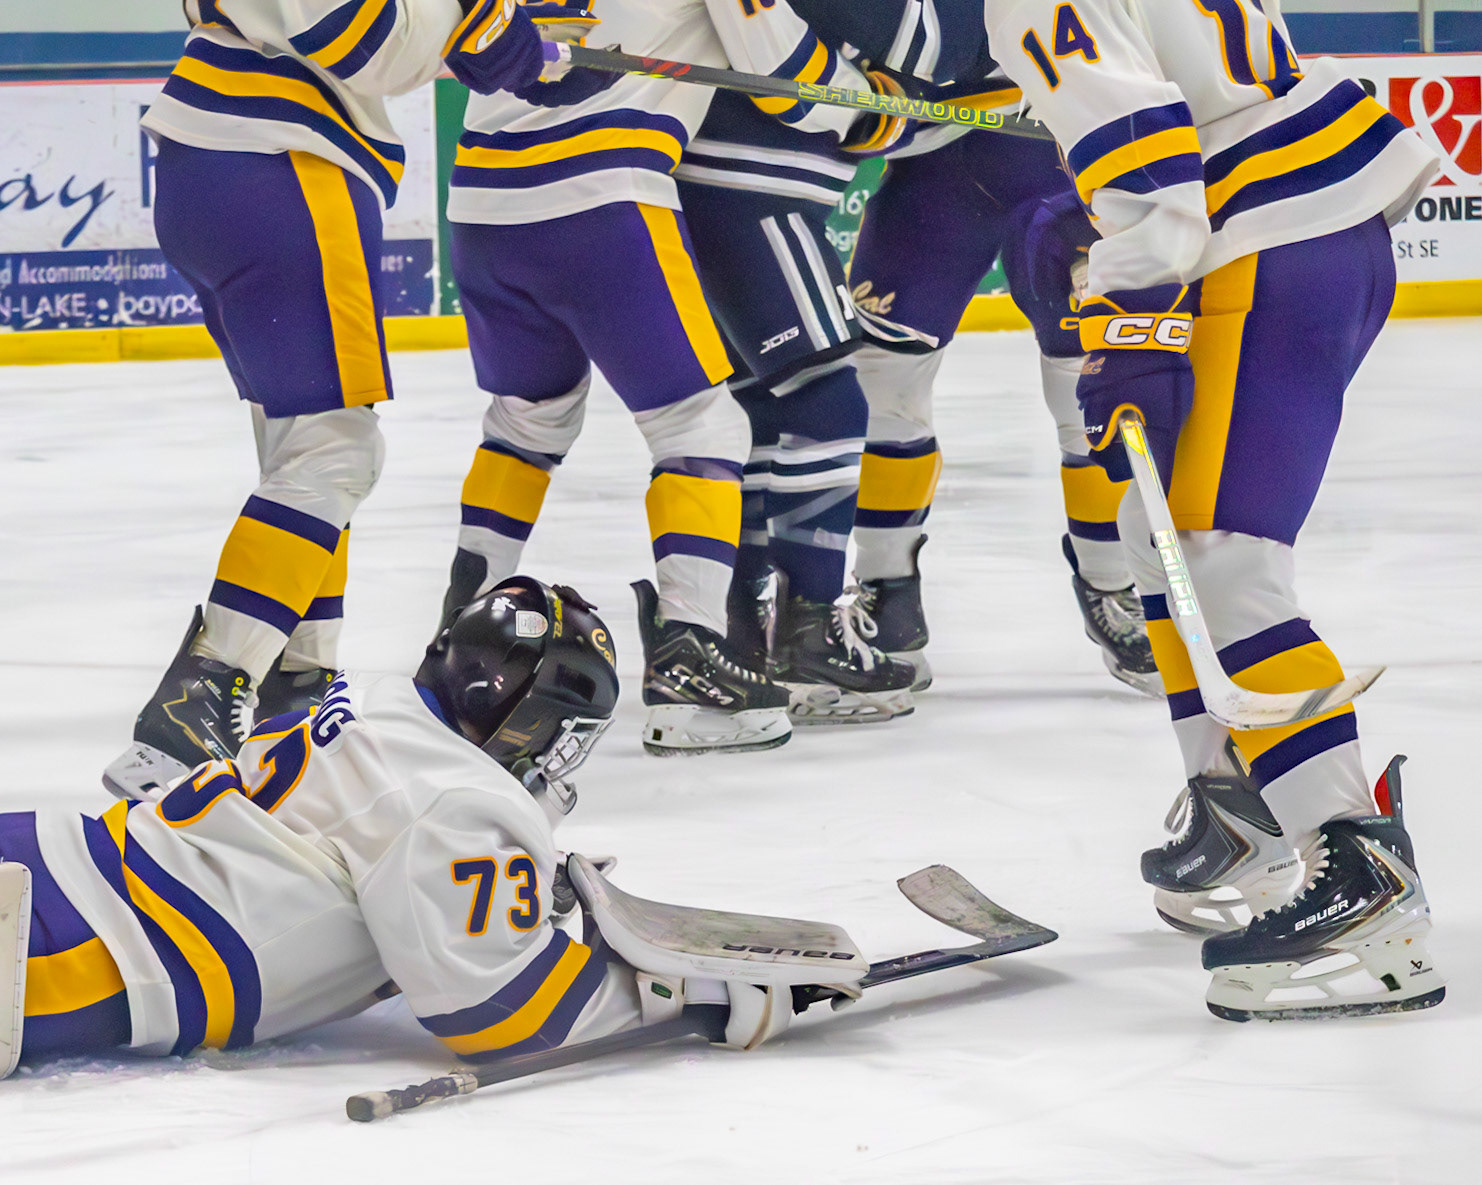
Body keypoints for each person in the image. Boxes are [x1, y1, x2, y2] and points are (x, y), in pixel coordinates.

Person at [984, 0, 1444, 1018]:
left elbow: (1147, 159)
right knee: (1164, 545)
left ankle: (1358, 873)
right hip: (1318, 226)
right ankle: (1241, 805)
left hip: (1262, 248)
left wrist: (1134, 319)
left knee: (1222, 561)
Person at [1, 579, 810, 1078]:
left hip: (55, 856)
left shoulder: (379, 700)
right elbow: (504, 1015)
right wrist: (683, 996)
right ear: (532, 718)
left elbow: (367, 836)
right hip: (84, 948)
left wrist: (518, 888)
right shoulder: (454, 800)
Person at [105, 0, 564, 798]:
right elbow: (356, 35)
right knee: (335, 451)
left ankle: (298, 686)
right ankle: (201, 695)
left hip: (219, 164)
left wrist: (480, 37)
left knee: (301, 449)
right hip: (279, 157)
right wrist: (474, 25)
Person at [433, 1, 913, 752]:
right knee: (702, 425)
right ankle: (689, 657)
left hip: (480, 202)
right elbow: (783, 70)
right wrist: (865, 107)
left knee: (527, 423)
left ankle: (454, 627)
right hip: (603, 198)